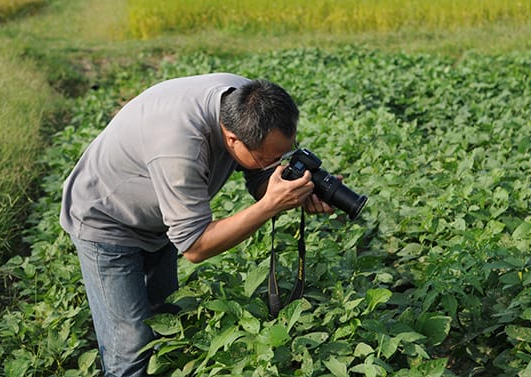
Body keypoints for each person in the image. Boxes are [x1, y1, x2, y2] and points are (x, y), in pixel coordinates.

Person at [60, 73, 333, 376]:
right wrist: (270, 205)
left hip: (158, 219)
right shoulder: (179, 145)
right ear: (233, 139)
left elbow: (258, 171)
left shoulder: (248, 103)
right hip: (107, 221)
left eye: (283, 154)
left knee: (164, 321)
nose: (275, 163)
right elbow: (195, 246)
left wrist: (295, 190)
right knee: (131, 347)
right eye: (268, 158)